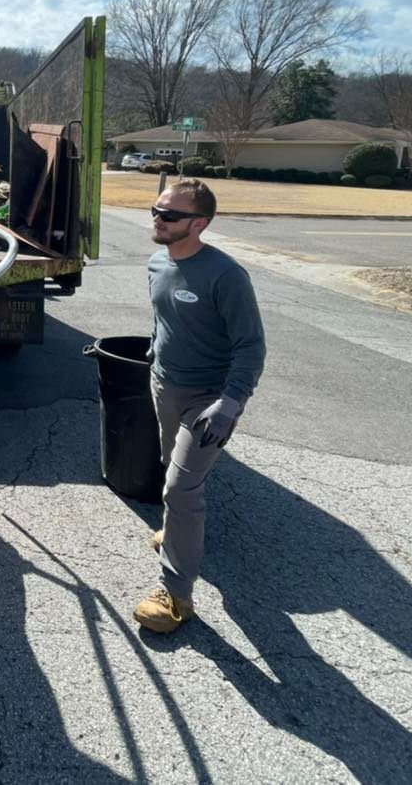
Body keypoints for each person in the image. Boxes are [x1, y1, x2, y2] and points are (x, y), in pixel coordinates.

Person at [134, 178, 266, 634]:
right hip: (165, 386)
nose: (158, 218)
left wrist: (230, 404)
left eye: (170, 215)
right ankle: (177, 536)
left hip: (209, 400)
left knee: (179, 489)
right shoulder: (157, 262)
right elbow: (162, 315)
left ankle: (175, 597)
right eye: (156, 209)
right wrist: (154, 350)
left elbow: (251, 346)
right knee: (170, 464)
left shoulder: (225, 276)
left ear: (200, 223)